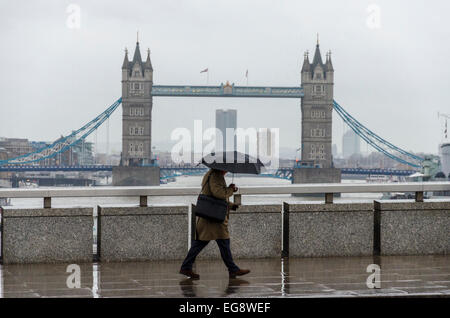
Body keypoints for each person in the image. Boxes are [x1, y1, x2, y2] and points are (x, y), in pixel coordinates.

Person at [179, 168, 250, 279]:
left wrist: (230, 205)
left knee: (204, 243)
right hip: (213, 219)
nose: (228, 171)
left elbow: (214, 197)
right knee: (221, 242)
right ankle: (233, 270)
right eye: (227, 169)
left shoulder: (212, 174)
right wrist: (231, 189)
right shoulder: (216, 175)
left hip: (211, 217)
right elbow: (218, 194)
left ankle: (186, 267)